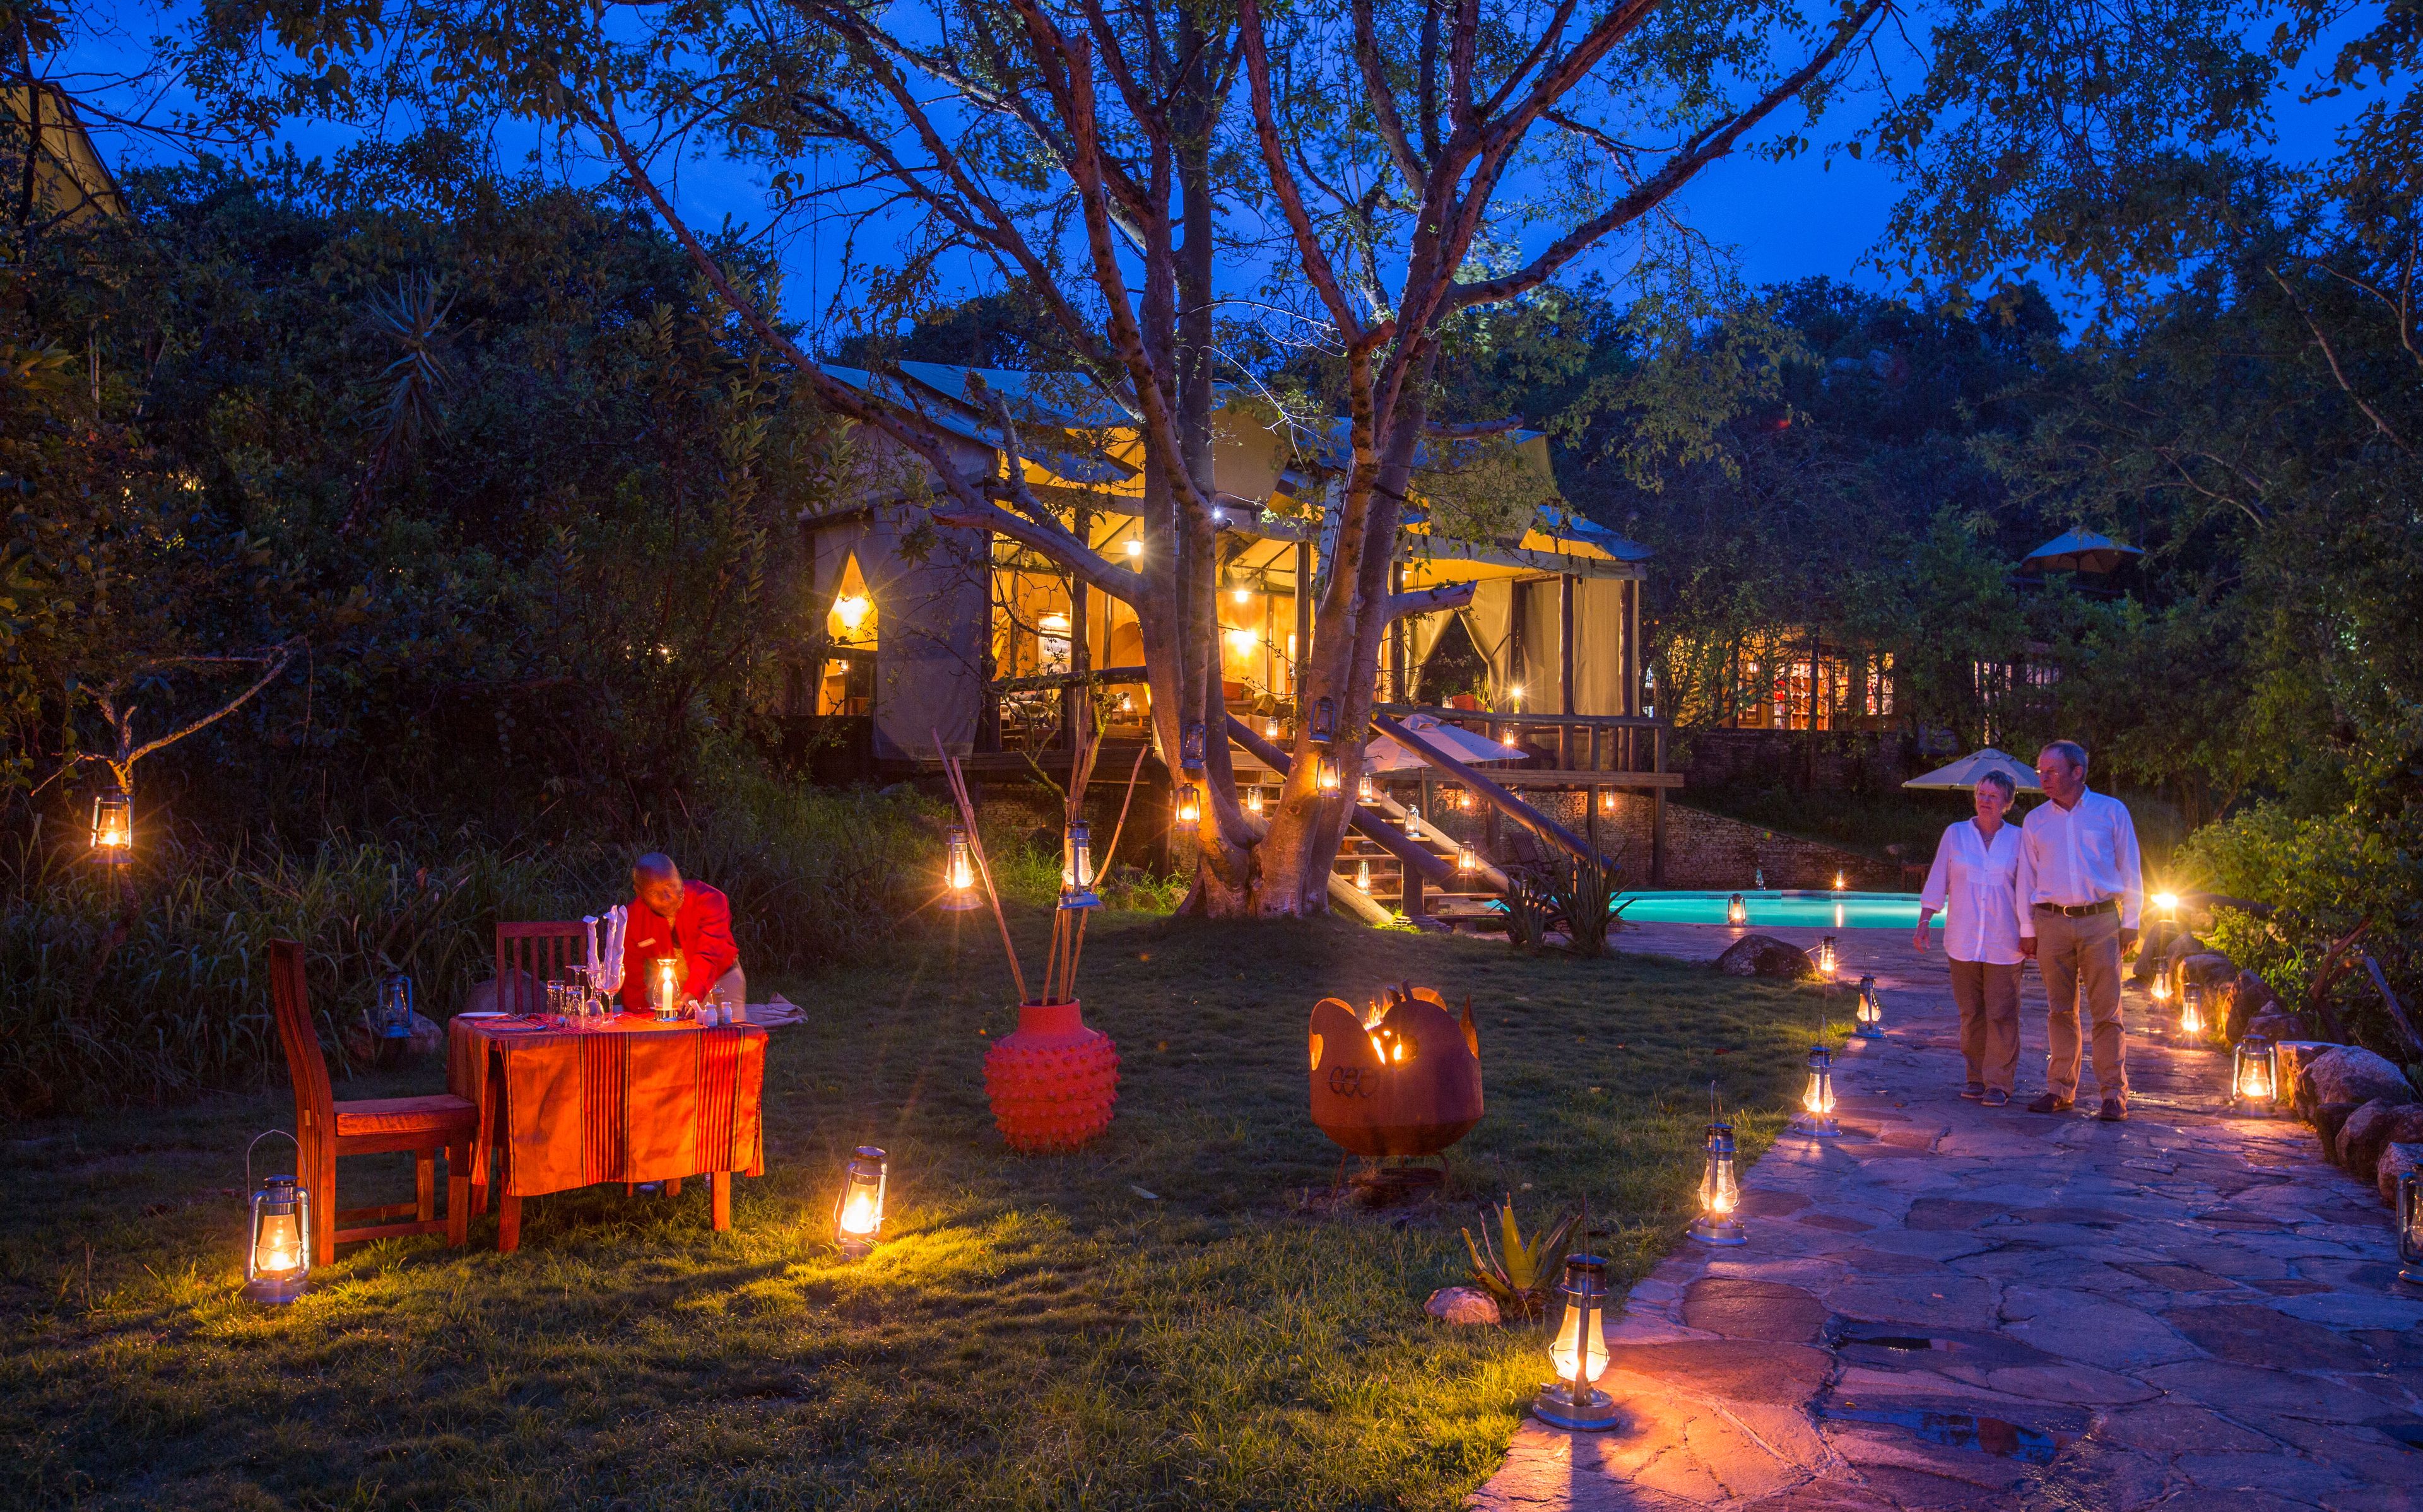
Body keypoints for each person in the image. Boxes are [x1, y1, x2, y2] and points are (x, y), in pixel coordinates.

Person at [2013, 741, 2143, 1122]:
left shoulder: (2111, 812)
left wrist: (2131, 921)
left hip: (2100, 920)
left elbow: (2131, 867)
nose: (2043, 778)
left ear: (2077, 772)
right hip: (2051, 922)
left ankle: (2113, 1094)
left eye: (2050, 771)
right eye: (2040, 771)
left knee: (2107, 1011)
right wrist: (2027, 927)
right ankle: (2060, 1088)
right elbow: (2026, 880)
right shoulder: (2035, 821)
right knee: (2059, 1011)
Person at [1914, 769, 2025, 1107]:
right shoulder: (1956, 834)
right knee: (1972, 1012)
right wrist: (1924, 920)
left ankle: (1999, 1083)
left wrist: (2031, 934)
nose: (1985, 801)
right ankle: (1975, 1076)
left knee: (2002, 1013)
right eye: (1981, 794)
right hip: (1962, 938)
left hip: (2005, 940)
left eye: (1993, 796)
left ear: (2007, 803)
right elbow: (1938, 879)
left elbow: (2027, 890)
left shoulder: (2020, 839)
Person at [618, 853, 744, 1014]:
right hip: (666, 983)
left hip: (720, 979)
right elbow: (631, 975)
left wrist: (690, 996)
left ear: (678, 876)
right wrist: (637, 1016)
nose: (666, 898)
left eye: (670, 885)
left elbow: (710, 955)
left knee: (727, 1034)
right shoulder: (633, 918)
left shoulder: (711, 900)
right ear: (639, 892)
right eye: (653, 893)